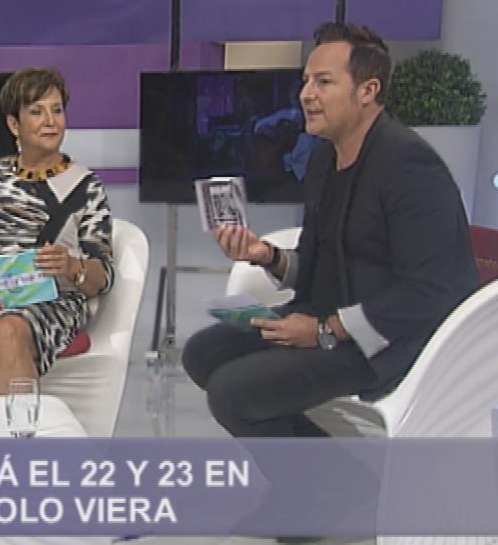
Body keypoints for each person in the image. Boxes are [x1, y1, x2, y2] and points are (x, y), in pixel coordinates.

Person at [182, 22, 479, 441]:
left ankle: (328, 479)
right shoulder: (323, 161)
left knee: (233, 392)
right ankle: (333, 472)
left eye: (323, 82)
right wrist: (266, 255)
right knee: (203, 353)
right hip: (326, 318)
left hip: (389, 339)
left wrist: (325, 330)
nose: (306, 94)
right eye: (306, 81)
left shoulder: (410, 166)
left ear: (368, 90)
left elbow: (428, 291)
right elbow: (317, 263)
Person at [0, 67, 115, 396]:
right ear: (14, 124)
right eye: (36, 112)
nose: (50, 121)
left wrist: (71, 266)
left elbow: (103, 274)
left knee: (7, 331)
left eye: (57, 110)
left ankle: (19, 429)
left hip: (51, 299)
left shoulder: (85, 186)